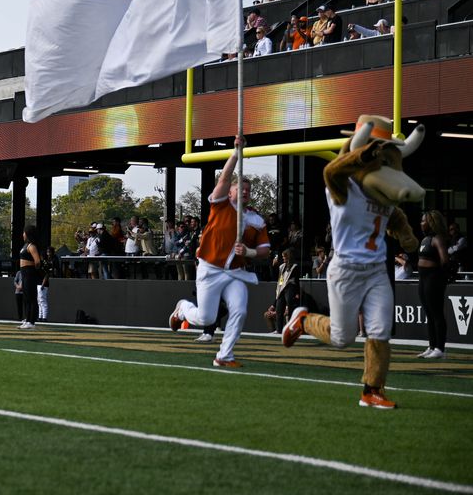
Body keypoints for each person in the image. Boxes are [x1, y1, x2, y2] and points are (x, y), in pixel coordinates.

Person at [282, 117, 422, 408]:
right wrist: (361, 155)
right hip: (346, 269)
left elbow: (393, 215)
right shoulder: (344, 187)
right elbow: (330, 171)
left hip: (376, 271)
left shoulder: (381, 192)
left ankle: (372, 389)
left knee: (380, 330)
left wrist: (407, 235)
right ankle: (304, 320)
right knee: (341, 337)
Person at [169, 136, 270, 367]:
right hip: (210, 268)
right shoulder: (221, 204)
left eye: (247, 190)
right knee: (207, 317)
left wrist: (250, 252)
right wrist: (236, 153)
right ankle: (183, 309)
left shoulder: (256, 219)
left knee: (240, 310)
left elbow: (265, 249)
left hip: (235, 272)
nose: (244, 193)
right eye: (240, 189)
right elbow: (224, 178)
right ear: (231, 192)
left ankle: (225, 356)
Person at [415, 210, 450, 360]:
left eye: (424, 221)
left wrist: (442, 277)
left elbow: (445, 260)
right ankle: (431, 346)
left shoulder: (438, 239)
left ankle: (440, 348)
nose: (421, 223)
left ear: (431, 223)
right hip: (423, 279)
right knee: (429, 314)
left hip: (433, 278)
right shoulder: (425, 240)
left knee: (436, 314)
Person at [18, 225, 42, 329]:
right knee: (26, 297)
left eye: (24, 232)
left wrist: (33, 270)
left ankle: (31, 321)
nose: (23, 234)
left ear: (28, 233)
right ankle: (27, 319)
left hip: (29, 272)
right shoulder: (25, 245)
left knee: (32, 297)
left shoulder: (32, 246)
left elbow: (37, 261)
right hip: (24, 272)